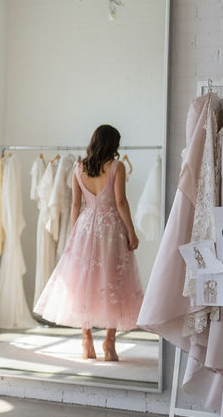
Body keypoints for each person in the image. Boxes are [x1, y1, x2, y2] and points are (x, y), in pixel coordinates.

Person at [34, 124, 144, 360]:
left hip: (85, 227)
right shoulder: (117, 167)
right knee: (113, 280)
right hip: (111, 228)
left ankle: (86, 340)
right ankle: (109, 343)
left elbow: (76, 205)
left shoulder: (78, 167)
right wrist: (131, 232)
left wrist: (74, 235)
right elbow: (121, 202)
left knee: (84, 283)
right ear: (112, 144)